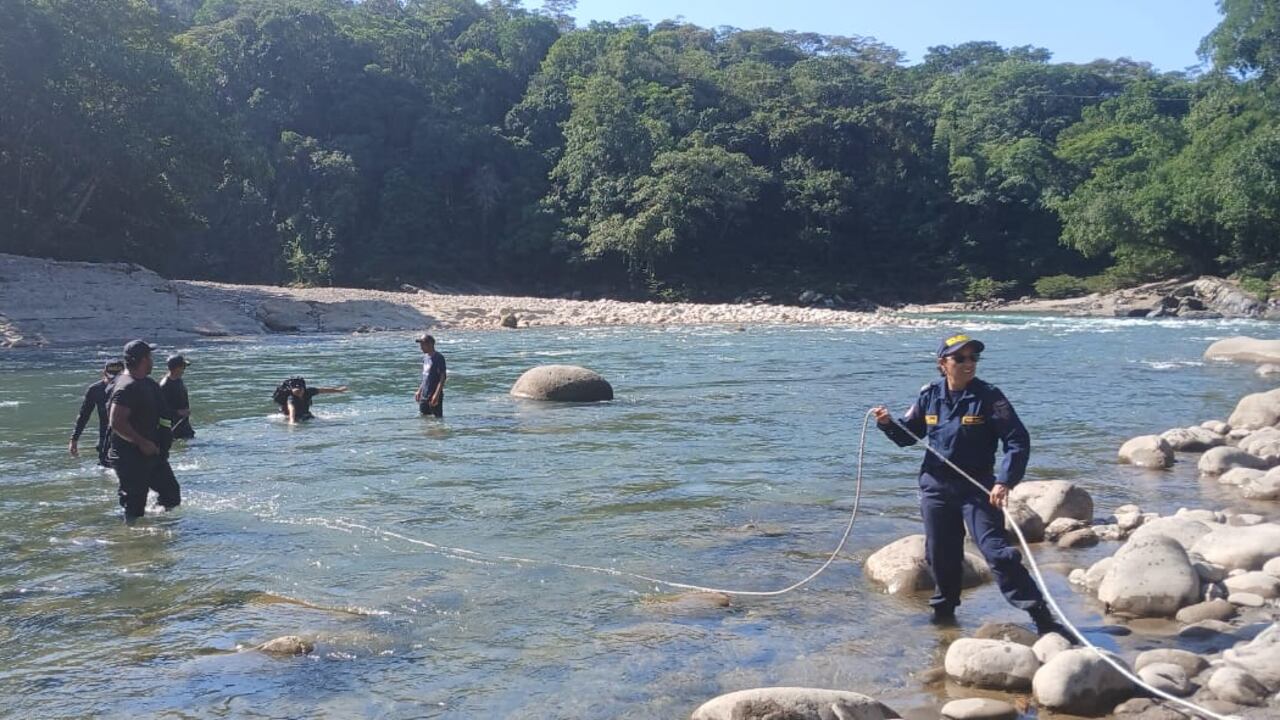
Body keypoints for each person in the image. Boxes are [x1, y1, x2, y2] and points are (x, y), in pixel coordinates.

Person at [872, 334, 1072, 639]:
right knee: (940, 553)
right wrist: (887, 423)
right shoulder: (929, 395)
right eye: (960, 359)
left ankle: (1041, 616)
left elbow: (1017, 441)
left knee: (997, 553)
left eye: (973, 358)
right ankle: (944, 618)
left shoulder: (990, 397)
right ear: (943, 364)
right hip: (935, 487)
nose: (969, 364)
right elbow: (907, 436)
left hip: (978, 488)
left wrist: (1005, 481)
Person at [108, 340, 180, 521]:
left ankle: (157, 535)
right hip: (131, 458)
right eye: (150, 357)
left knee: (171, 495)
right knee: (134, 507)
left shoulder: (148, 383)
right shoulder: (126, 386)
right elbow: (116, 422)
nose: (152, 360)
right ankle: (130, 541)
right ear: (143, 359)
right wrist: (142, 442)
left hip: (154, 455)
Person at [69, 360, 124, 467]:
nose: (113, 382)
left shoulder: (130, 388)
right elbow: (84, 415)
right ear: (104, 373)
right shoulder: (95, 390)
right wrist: (74, 439)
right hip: (105, 440)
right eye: (111, 378)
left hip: (127, 438)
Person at [274, 377, 348, 423]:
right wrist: (291, 421)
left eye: (300, 390)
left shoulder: (309, 391)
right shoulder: (291, 398)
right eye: (296, 391)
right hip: (289, 416)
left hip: (304, 413)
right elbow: (292, 409)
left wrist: (338, 390)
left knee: (312, 418)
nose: (299, 392)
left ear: (303, 388)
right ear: (292, 390)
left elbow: (323, 390)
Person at [160, 354, 195, 440]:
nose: (184, 370)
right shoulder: (165, 385)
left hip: (184, 425)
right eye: (183, 367)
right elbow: (160, 410)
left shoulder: (179, 380)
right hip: (174, 427)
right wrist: (179, 412)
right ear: (176, 368)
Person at [414, 334, 447, 418]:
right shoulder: (425, 358)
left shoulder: (438, 357)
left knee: (437, 420)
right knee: (424, 419)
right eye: (420, 345)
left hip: (434, 395)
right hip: (424, 395)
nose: (421, 347)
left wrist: (436, 395)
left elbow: (442, 378)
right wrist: (419, 391)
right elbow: (425, 376)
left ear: (431, 344)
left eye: (423, 344)